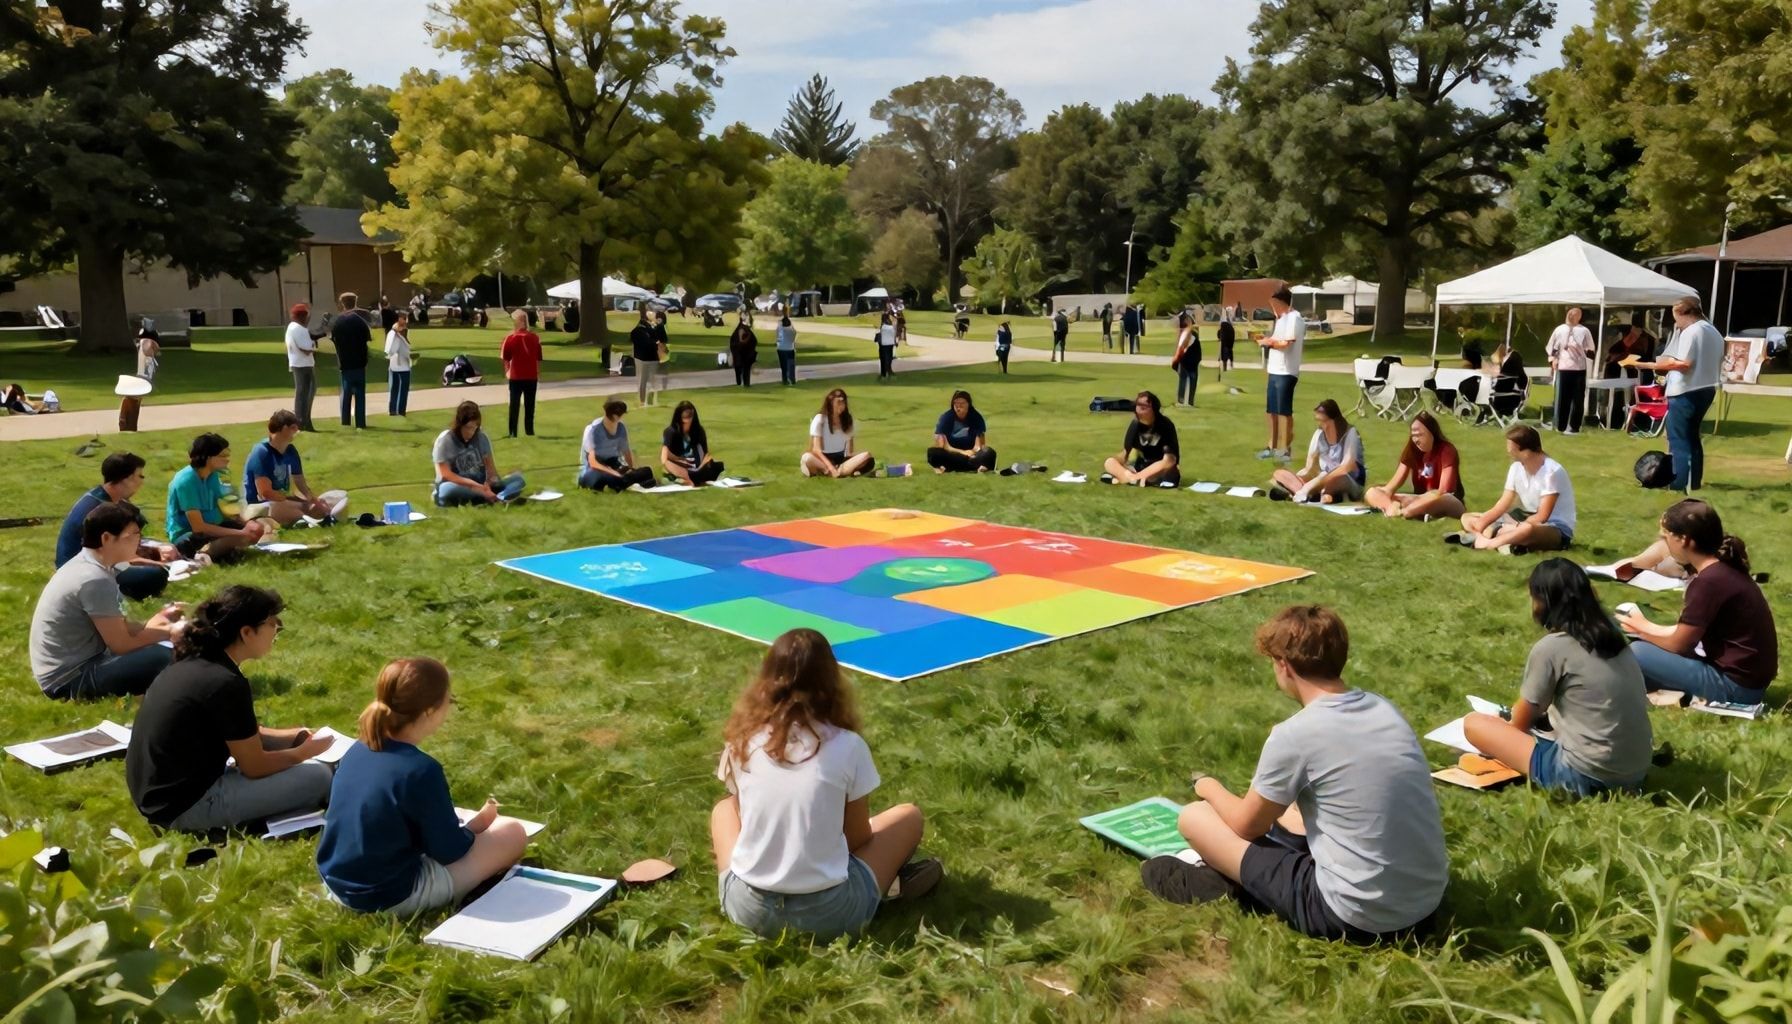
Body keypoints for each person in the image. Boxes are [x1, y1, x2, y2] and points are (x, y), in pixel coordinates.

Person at [1139, 605, 1447, 943]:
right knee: (1291, 812)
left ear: (1284, 666)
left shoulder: (1295, 734)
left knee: (1195, 818)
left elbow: (1246, 825)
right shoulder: (1383, 707)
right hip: (1426, 905)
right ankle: (1243, 877)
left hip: (1354, 917)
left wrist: (1209, 787)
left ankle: (1230, 881)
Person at [711, 628, 941, 940]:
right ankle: (889, 887)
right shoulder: (848, 745)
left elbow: (743, 817)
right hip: (831, 914)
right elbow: (858, 837)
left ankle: (889, 886)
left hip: (750, 911)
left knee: (724, 810)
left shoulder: (743, 741)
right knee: (908, 816)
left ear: (766, 679)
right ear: (831, 681)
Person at [317, 657, 530, 914]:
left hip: (337, 884)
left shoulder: (357, 750)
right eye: (448, 702)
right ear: (429, 711)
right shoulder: (421, 770)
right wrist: (476, 828)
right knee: (513, 832)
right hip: (389, 896)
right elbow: (450, 851)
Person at [125, 585, 335, 832]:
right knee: (319, 777)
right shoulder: (226, 683)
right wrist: (303, 753)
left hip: (158, 797)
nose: (277, 629)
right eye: (272, 623)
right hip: (186, 807)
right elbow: (254, 767)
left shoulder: (196, 662)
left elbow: (239, 734)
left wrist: (295, 736)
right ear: (247, 632)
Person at [1462, 560, 1652, 796]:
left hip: (1585, 775)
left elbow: (1519, 724)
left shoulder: (1552, 648)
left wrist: (1502, 727)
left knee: (1473, 724)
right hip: (1636, 773)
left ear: (1543, 601)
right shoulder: (1614, 637)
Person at [1617, 499, 1777, 702]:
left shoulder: (1708, 582)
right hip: (1749, 681)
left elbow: (1679, 644)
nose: (1663, 544)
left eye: (1666, 537)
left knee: (1637, 652)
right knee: (1640, 645)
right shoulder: (1724, 568)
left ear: (1684, 540)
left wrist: (1643, 627)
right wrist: (1643, 630)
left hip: (1736, 688)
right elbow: (1686, 633)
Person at [31, 501, 181, 699]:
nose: (138, 541)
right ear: (107, 538)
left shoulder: (91, 564)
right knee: (164, 657)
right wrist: (170, 632)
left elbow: (118, 626)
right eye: (133, 535)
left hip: (71, 667)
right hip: (69, 680)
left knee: (163, 650)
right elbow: (121, 644)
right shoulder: (94, 579)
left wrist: (155, 626)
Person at [55, 452, 177, 601]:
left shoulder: (102, 498)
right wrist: (158, 563)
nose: (141, 482)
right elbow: (111, 557)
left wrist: (156, 550)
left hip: (94, 561)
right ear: (126, 479)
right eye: (140, 476)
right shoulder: (100, 511)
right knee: (157, 575)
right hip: (80, 572)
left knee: (156, 556)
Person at [1632, 297, 1722, 492]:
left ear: (1682, 313)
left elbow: (1683, 364)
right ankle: (1693, 482)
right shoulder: (1712, 330)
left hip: (1686, 390)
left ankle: (1679, 482)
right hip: (1706, 388)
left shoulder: (1692, 331)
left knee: (1678, 439)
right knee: (1692, 438)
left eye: (1676, 318)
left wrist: (1650, 365)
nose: (1676, 323)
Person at [1446, 425, 1575, 554]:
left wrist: (1516, 526)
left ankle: (1490, 541)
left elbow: (1542, 516)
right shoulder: (1516, 468)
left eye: (1510, 446)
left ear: (1525, 451)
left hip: (1554, 528)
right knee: (1467, 518)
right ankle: (1501, 538)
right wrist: (1480, 525)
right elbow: (1502, 505)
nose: (1507, 450)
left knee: (1526, 529)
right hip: (1523, 519)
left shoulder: (1551, 472)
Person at [167, 433, 269, 561]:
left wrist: (247, 523)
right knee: (243, 536)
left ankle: (221, 552)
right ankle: (206, 555)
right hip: (189, 535)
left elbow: (225, 508)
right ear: (208, 458)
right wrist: (241, 532)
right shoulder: (185, 481)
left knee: (254, 531)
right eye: (223, 455)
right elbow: (198, 527)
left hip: (213, 526)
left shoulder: (213, 476)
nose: (227, 459)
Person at [1365, 412, 1466, 521]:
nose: (1416, 440)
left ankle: (1408, 512)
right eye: (1413, 436)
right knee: (1372, 492)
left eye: (1420, 435)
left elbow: (1444, 490)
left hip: (1447, 500)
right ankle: (1393, 509)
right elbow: (1390, 488)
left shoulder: (1446, 450)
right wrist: (1387, 499)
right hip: (1418, 499)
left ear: (1432, 433)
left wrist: (1415, 503)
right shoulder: (1412, 451)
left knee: (1443, 498)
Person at [243, 410, 331, 526]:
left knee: (319, 506)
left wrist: (312, 500)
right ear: (284, 428)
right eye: (294, 428)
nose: (297, 432)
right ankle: (303, 518)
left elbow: (300, 482)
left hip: (282, 500)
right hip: (261, 505)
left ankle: (304, 517)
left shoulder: (290, 451)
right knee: (284, 508)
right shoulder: (261, 452)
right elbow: (265, 493)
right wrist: (297, 503)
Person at [1269, 399, 1365, 504]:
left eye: (1323, 421)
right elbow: (1309, 468)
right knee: (1280, 473)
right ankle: (1304, 493)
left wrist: (1313, 485)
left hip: (1348, 480)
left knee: (1333, 479)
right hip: (1322, 478)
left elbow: (1346, 467)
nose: (1320, 424)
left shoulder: (1351, 433)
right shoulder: (1319, 434)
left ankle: (1307, 493)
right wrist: (1298, 478)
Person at [432, 401, 525, 506]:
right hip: (459, 485)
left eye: (474, 428)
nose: (470, 432)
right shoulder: (446, 441)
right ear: (459, 424)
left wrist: (489, 483)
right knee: (446, 490)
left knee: (518, 480)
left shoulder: (481, 438)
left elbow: (491, 471)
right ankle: (493, 497)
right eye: (467, 428)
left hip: (482, 485)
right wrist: (475, 486)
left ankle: (489, 497)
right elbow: (446, 475)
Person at [1255, 288, 1304, 462]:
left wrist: (1268, 342)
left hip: (1286, 371)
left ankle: (1285, 449)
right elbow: (1276, 340)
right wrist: (1265, 340)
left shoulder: (1294, 319)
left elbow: (1286, 344)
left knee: (1284, 411)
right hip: (1274, 370)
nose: (1272, 307)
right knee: (1272, 411)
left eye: (1274, 303)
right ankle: (1272, 446)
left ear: (1282, 302)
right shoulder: (1281, 320)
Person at [1103, 391, 1180, 486]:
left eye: (1143, 407)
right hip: (1140, 467)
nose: (1138, 410)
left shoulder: (1165, 425)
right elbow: (1125, 454)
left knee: (1167, 465)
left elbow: (1169, 460)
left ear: (1154, 409)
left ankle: (1128, 479)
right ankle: (1132, 479)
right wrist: (1115, 463)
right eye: (1137, 406)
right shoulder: (1135, 425)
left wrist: (1140, 475)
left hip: (1160, 469)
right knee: (1109, 462)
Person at [578, 399, 655, 491]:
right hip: (594, 468)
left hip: (613, 465)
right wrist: (613, 473)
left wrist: (630, 468)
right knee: (599, 478)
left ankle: (619, 483)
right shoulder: (593, 430)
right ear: (615, 416)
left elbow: (626, 451)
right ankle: (621, 482)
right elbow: (593, 462)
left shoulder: (621, 427)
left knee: (647, 471)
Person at [802, 388, 875, 478]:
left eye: (843, 402)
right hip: (822, 459)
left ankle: (839, 471)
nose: (841, 405)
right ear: (830, 403)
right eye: (838, 402)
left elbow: (849, 452)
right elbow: (816, 450)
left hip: (840, 460)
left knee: (867, 456)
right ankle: (829, 471)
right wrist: (830, 467)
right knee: (807, 458)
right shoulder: (820, 419)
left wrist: (860, 458)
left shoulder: (848, 420)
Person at [1545, 307, 1596, 434]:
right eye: (1570, 313)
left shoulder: (1584, 331)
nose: (1572, 315)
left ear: (1580, 316)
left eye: (1575, 314)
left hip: (1579, 368)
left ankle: (1575, 426)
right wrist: (1553, 360)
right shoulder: (1560, 329)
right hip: (1564, 367)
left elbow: (1591, 349)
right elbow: (1553, 346)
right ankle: (1560, 425)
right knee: (1563, 398)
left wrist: (1582, 351)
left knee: (1578, 398)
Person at [1599, 315, 1655, 426]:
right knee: (1617, 396)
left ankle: (1637, 420)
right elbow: (1613, 352)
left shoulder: (1648, 338)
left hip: (1637, 371)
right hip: (1620, 371)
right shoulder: (1623, 335)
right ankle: (1617, 419)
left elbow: (1646, 356)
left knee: (1637, 395)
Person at [927, 390, 997, 473]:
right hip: (953, 453)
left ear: (968, 404)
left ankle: (954, 467)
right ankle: (975, 467)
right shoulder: (946, 418)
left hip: (971, 456)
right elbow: (944, 446)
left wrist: (972, 453)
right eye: (956, 403)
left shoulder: (976, 418)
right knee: (933, 453)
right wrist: (963, 452)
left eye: (962, 403)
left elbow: (979, 446)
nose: (958, 406)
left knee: (989, 452)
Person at [331, 292, 372, 430]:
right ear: (355, 302)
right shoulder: (360, 322)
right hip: (359, 363)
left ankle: (345, 421)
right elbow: (367, 340)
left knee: (346, 393)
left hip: (344, 363)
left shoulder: (338, 322)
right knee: (360, 394)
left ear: (342, 303)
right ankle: (361, 422)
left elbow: (334, 340)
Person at [661, 400, 724, 487]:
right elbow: (664, 459)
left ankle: (693, 477)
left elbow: (706, 454)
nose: (686, 423)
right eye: (683, 420)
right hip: (680, 467)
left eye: (689, 418)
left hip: (697, 467)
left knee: (716, 466)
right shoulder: (671, 432)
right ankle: (688, 478)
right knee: (669, 465)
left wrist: (699, 468)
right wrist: (685, 473)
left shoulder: (698, 431)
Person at [501, 308, 543, 437]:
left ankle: (513, 431)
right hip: (531, 376)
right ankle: (529, 430)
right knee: (530, 405)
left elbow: (505, 357)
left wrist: (507, 371)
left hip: (516, 376)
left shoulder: (511, 338)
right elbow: (538, 358)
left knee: (514, 405)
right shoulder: (534, 338)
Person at [285, 304, 318, 432]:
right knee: (307, 393)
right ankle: (303, 421)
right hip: (304, 364)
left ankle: (301, 420)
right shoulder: (300, 329)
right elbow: (306, 349)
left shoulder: (291, 327)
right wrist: (313, 344)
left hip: (297, 363)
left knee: (301, 393)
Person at [630, 307, 664, 406]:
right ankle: (642, 401)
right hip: (642, 358)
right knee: (643, 381)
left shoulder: (653, 328)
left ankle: (651, 401)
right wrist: (655, 343)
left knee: (653, 380)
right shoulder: (637, 330)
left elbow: (662, 338)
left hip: (653, 357)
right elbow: (646, 343)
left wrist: (659, 326)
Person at [384, 310, 413, 417]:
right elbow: (391, 349)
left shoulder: (400, 331)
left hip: (396, 363)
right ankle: (399, 410)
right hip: (401, 364)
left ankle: (393, 410)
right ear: (399, 319)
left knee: (395, 388)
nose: (406, 321)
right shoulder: (395, 333)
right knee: (401, 389)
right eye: (404, 318)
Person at [1171, 312, 1202, 408]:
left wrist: (1175, 361)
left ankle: (1182, 401)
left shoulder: (1184, 334)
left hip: (1186, 360)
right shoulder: (1191, 334)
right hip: (1191, 361)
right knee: (1191, 381)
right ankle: (1189, 401)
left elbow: (1180, 349)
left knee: (1183, 380)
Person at [729, 316, 758, 387]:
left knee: (741, 368)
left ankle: (742, 382)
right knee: (745, 369)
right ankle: (745, 383)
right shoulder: (743, 330)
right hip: (743, 352)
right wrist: (748, 338)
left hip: (742, 353)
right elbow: (742, 341)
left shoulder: (741, 330)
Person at [775, 315, 798, 385]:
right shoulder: (792, 331)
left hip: (781, 349)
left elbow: (777, 330)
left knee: (783, 366)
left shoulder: (780, 329)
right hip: (790, 349)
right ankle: (792, 379)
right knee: (791, 365)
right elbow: (793, 338)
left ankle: (785, 380)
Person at [875, 313, 897, 380]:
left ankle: (884, 373)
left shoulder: (884, 325)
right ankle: (888, 371)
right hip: (890, 344)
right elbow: (893, 332)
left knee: (883, 359)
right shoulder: (890, 324)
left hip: (884, 344)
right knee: (889, 358)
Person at [1217, 306, 1236, 378]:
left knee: (1226, 348)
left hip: (1227, 329)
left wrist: (1220, 335)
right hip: (1227, 329)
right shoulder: (1225, 315)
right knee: (1227, 348)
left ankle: (1227, 364)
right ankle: (1228, 364)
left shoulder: (1226, 314)